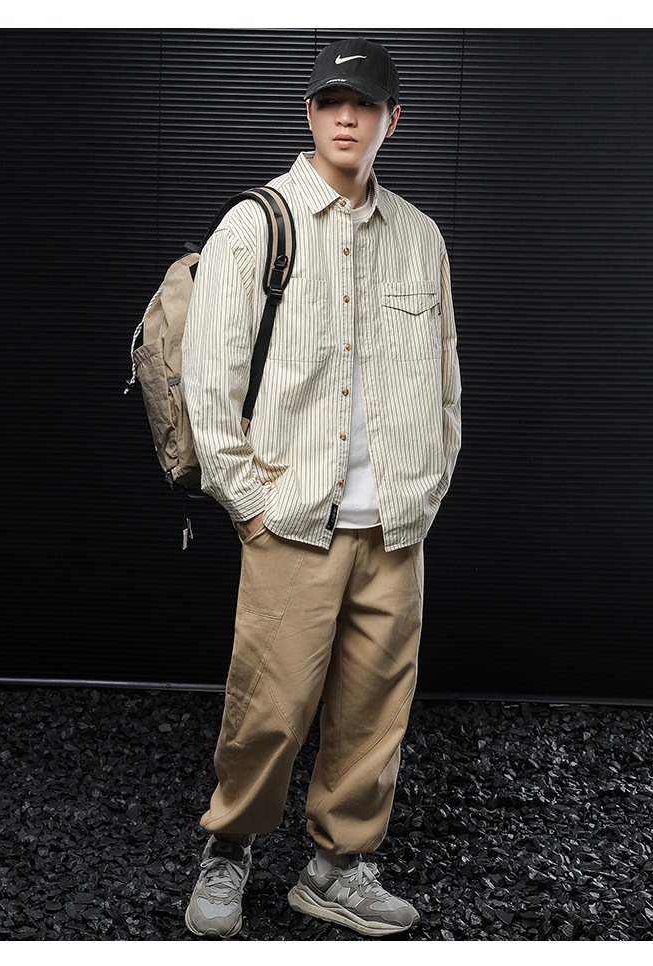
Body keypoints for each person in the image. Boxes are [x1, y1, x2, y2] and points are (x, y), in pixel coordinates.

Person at [181, 37, 462, 939]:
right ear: (309, 112)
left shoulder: (421, 238)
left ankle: (337, 867)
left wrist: (428, 484)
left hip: (397, 526)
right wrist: (248, 503)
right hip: (291, 519)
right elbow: (207, 381)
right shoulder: (255, 226)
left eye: (365, 104)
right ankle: (229, 849)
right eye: (332, 101)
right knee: (268, 708)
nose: (348, 117)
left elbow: (446, 381)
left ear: (392, 120)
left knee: (375, 714)